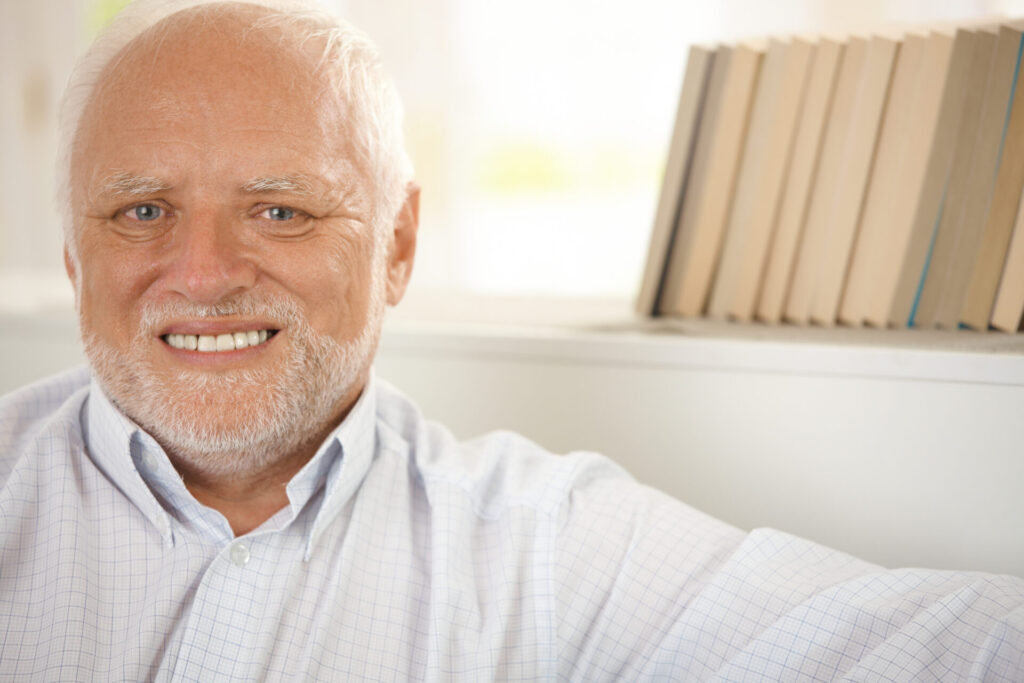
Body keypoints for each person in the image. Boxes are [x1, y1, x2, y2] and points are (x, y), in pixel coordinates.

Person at [1, 0, 1021, 679]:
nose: (206, 272)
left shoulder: (542, 544)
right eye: (141, 212)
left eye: (280, 211)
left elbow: (920, 641)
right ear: (73, 254)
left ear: (396, 244)